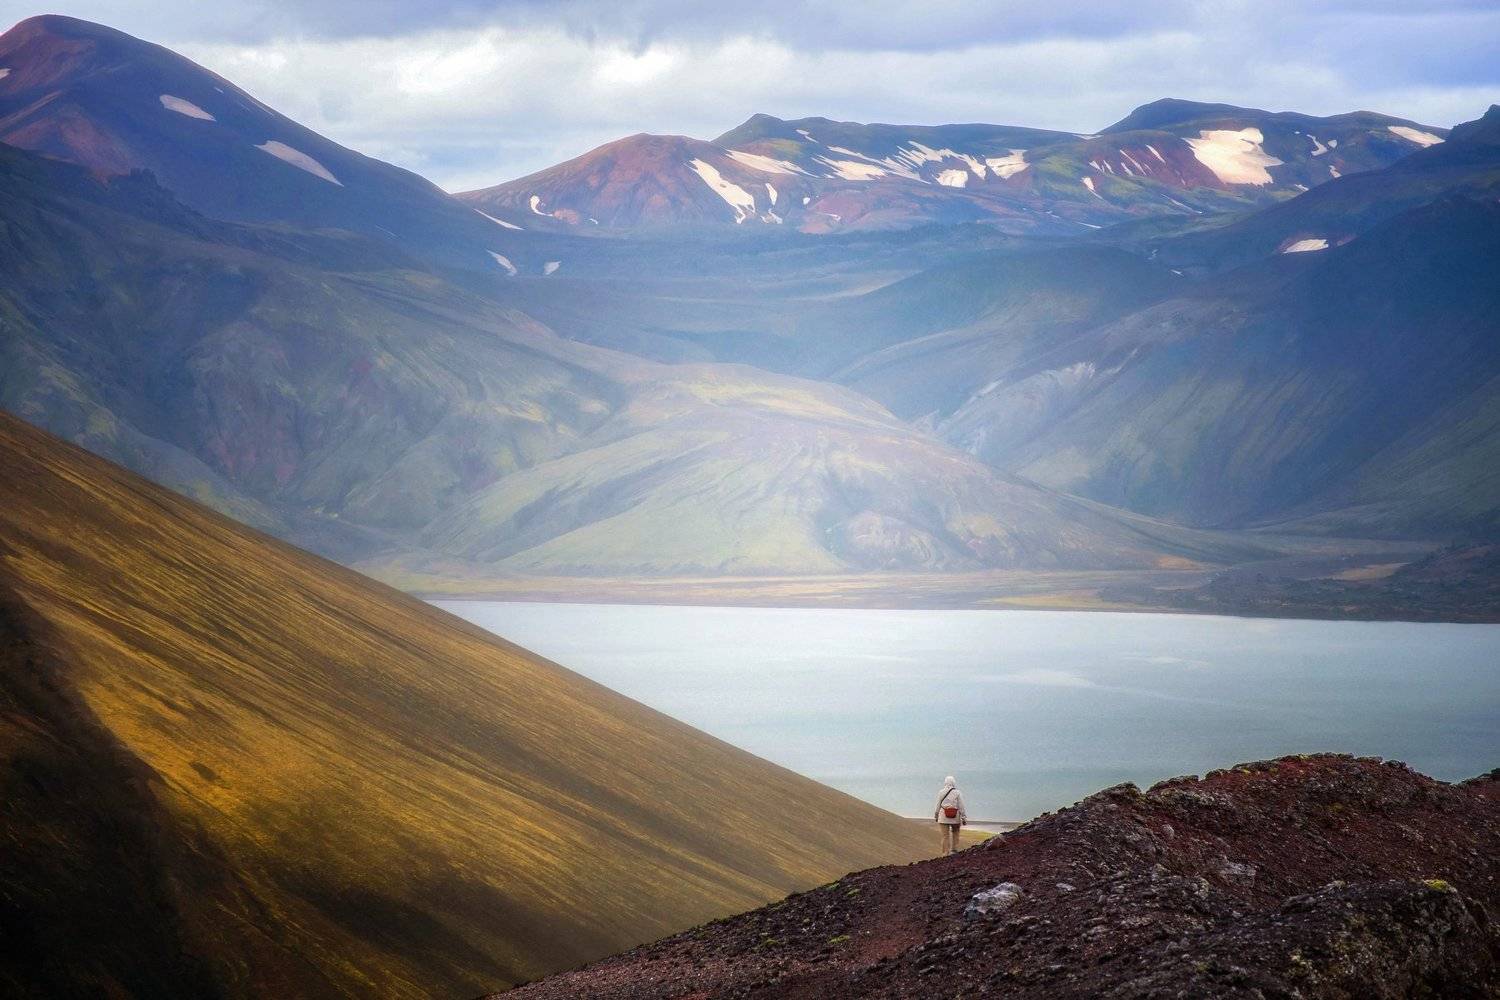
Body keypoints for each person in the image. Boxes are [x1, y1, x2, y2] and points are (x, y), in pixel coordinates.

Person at [934, 775, 966, 855]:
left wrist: (936, 815)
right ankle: (954, 850)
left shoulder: (941, 792)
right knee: (955, 833)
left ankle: (945, 853)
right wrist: (963, 817)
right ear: (953, 783)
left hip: (943, 817)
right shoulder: (957, 792)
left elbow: (938, 805)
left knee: (945, 836)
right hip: (955, 817)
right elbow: (961, 806)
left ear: (945, 782)